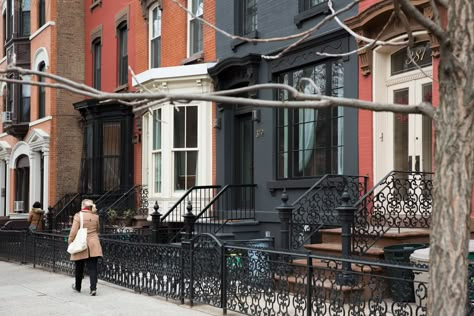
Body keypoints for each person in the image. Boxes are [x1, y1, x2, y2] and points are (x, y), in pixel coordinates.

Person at [68, 199, 103, 296]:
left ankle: (78, 286)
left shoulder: (78, 216)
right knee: (93, 267)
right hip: (93, 243)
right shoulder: (96, 216)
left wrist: (70, 241)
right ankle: (93, 289)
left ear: (83, 205)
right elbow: (97, 229)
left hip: (81, 243)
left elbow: (74, 231)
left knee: (79, 266)